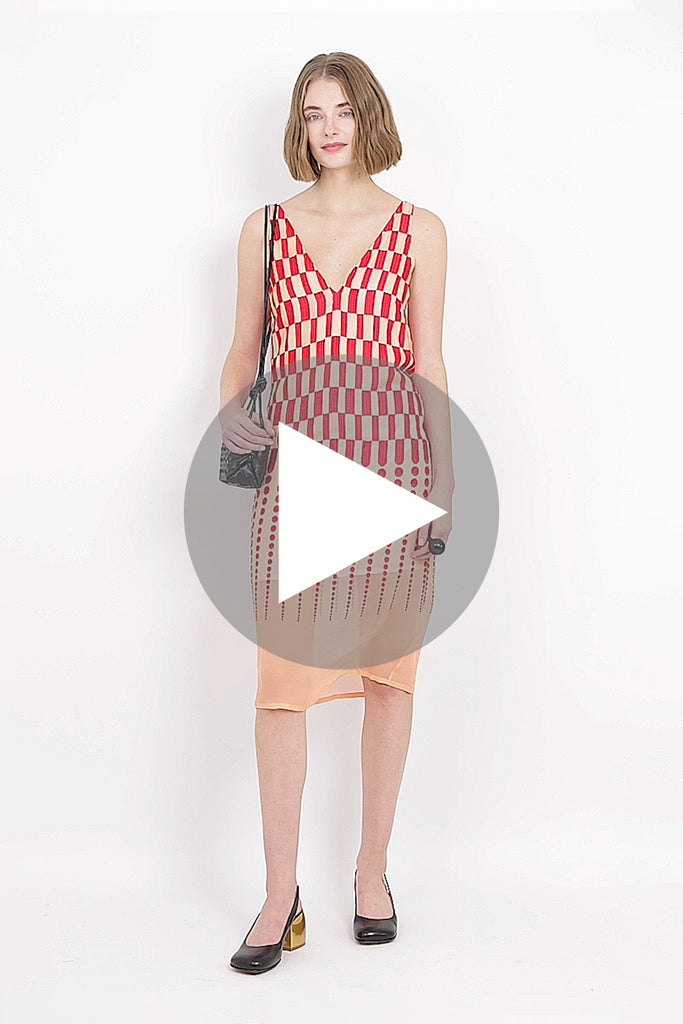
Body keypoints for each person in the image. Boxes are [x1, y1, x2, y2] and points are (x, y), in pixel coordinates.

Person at [219, 51, 454, 974]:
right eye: (314, 113)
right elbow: (243, 352)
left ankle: (371, 871)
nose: (329, 128)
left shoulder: (419, 230)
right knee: (282, 690)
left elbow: (427, 364)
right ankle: (280, 894)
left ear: (369, 118)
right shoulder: (265, 230)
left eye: (344, 110)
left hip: (394, 474)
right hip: (296, 481)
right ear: (299, 125)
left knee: (388, 681)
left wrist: (446, 485)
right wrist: (235, 426)